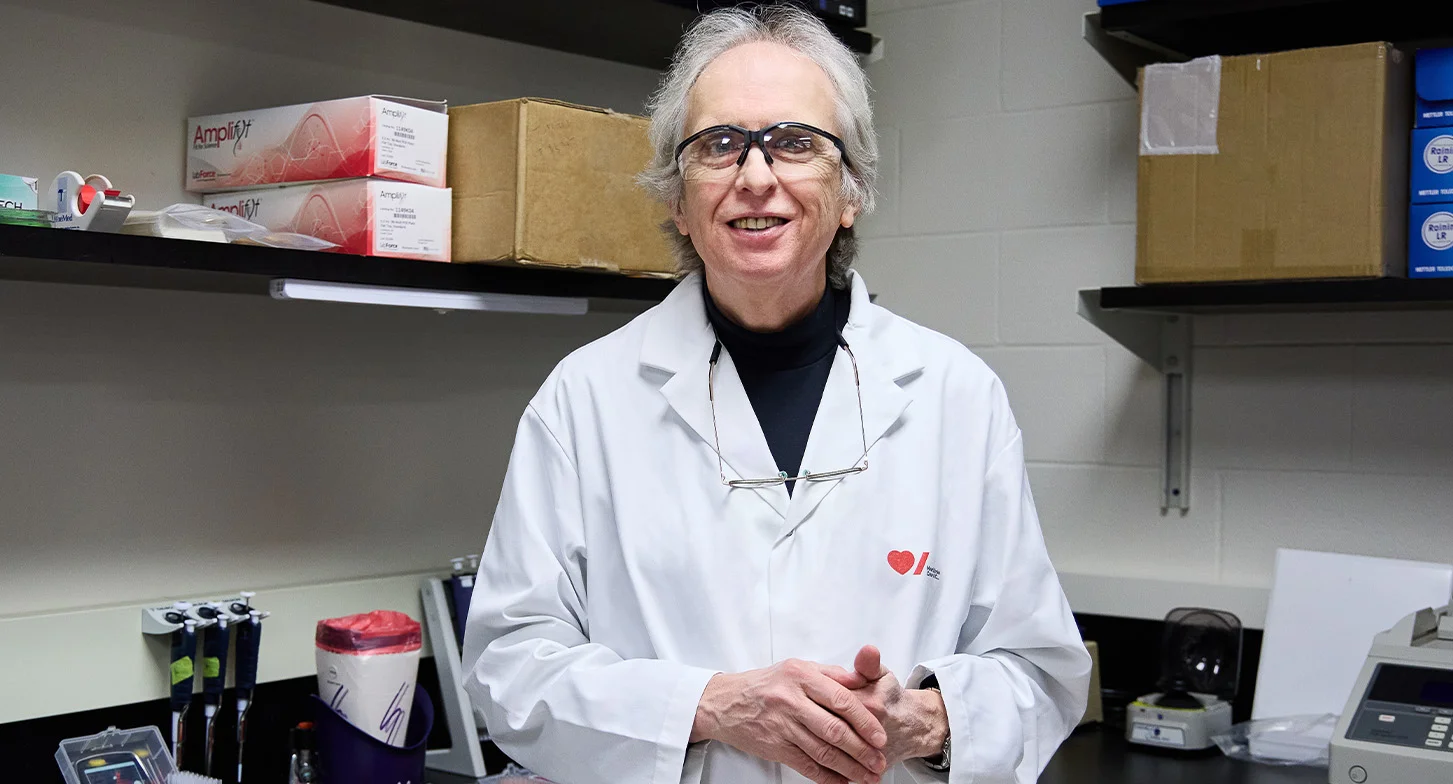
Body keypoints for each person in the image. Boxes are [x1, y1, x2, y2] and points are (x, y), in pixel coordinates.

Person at [461, 6, 1090, 784]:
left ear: (850, 190)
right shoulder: (583, 400)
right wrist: (711, 704)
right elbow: (509, 673)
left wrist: (922, 719)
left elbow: (1039, 673)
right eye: (718, 146)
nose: (755, 176)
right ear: (676, 202)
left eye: (795, 143)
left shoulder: (955, 395)